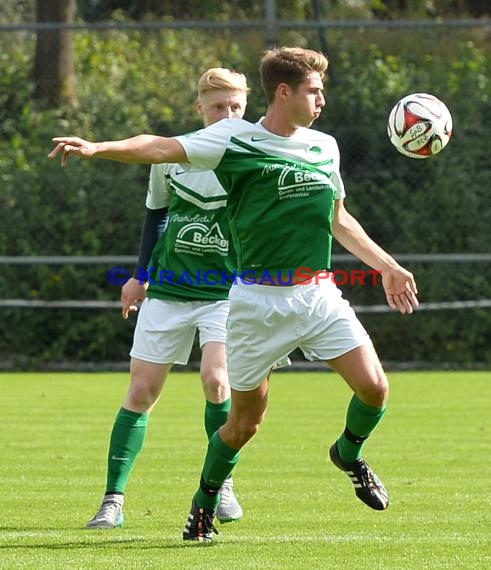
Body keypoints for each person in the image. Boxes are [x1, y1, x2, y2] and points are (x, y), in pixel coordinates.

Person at [49, 46, 419, 542]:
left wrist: (387, 266)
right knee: (245, 422)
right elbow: (159, 146)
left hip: (318, 296)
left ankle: (348, 453)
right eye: (314, 90)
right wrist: (99, 148)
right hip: (255, 305)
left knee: (375, 389)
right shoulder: (233, 140)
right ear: (284, 92)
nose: (322, 99)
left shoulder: (324, 146)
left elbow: (339, 219)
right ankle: (204, 502)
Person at [85, 67, 250, 529]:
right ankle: (112, 501)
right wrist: (139, 277)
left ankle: (221, 487)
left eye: (236, 106)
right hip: (170, 291)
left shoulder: (256, 153)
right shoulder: (173, 156)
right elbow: (156, 216)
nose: (228, 114)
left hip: (226, 294)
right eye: (219, 106)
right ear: (199, 108)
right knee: (141, 392)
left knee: (217, 381)